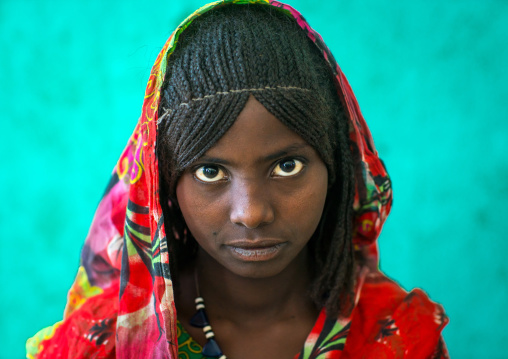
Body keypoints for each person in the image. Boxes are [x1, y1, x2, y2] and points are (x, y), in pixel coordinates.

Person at [27, 1, 448, 358]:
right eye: (210, 171)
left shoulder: (399, 340)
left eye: (287, 166)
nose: (252, 213)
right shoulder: (103, 345)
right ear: (165, 184)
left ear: (335, 166)